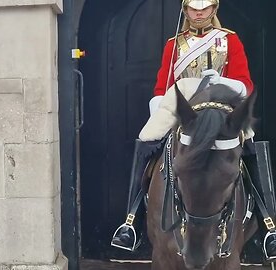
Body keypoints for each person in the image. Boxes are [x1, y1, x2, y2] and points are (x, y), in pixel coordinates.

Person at [111, 0, 276, 259]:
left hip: (222, 106)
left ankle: (268, 224)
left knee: (250, 143)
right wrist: (161, 104)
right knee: (147, 138)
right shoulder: (173, 44)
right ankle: (131, 220)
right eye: (194, 8)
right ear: (186, 10)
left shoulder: (230, 41)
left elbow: (246, 83)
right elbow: (162, 85)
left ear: (213, 9)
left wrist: (222, 81)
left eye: (204, 8)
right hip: (182, 108)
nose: (199, 13)